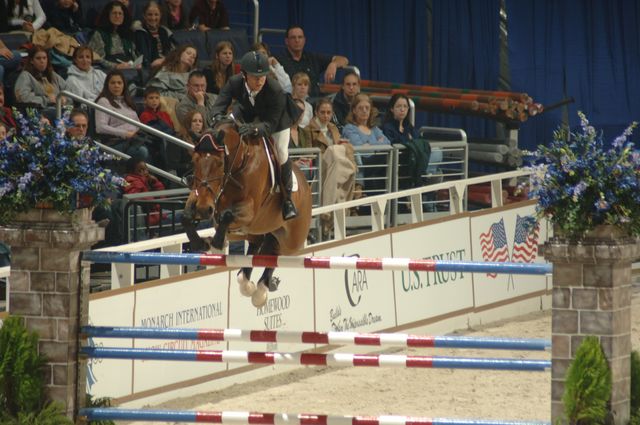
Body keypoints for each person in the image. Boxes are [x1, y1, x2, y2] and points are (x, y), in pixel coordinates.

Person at [211, 51, 301, 220]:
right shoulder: (234, 82)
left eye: (263, 76)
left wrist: (254, 130)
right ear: (244, 75)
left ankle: (287, 199)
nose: (260, 80)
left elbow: (270, 124)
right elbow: (219, 104)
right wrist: (217, 117)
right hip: (248, 113)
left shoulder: (275, 90)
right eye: (255, 77)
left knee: (281, 152)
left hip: (276, 121)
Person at [307, 97, 357, 208]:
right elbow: (309, 153)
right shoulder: (308, 129)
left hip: (335, 165)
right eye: (322, 112)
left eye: (329, 112)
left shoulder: (334, 128)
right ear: (316, 112)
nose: (326, 116)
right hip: (319, 166)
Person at [276, 25, 348, 97]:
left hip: (315, 102)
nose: (297, 40)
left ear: (304, 40)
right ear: (287, 41)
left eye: (300, 37)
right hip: (291, 102)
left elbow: (344, 60)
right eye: (293, 37)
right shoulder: (278, 59)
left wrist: (333, 64)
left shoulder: (312, 58)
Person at [341, 93, 391, 195]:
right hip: (361, 164)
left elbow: (388, 143)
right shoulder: (350, 128)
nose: (364, 111)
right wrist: (377, 144)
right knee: (386, 157)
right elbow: (361, 150)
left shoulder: (374, 128)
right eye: (361, 108)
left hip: (377, 164)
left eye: (367, 108)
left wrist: (369, 145)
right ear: (354, 110)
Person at [95, 70, 149, 161]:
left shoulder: (127, 101)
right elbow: (100, 127)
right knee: (142, 151)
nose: (116, 85)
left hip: (135, 139)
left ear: (124, 85)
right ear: (107, 85)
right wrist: (125, 134)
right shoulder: (103, 101)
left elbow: (137, 124)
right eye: (113, 83)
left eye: (119, 83)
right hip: (115, 142)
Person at [88, 1, 140, 71]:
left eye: (120, 14)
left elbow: (134, 56)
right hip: (108, 72)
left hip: (129, 69)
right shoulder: (100, 34)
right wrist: (116, 66)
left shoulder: (128, 34)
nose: (117, 16)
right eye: (114, 13)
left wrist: (137, 64)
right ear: (108, 15)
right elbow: (97, 59)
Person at [123, 156, 167, 229]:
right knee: (183, 217)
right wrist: (154, 201)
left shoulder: (146, 181)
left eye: (146, 169)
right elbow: (135, 197)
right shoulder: (131, 181)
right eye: (140, 170)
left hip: (156, 213)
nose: (145, 172)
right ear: (131, 171)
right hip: (150, 218)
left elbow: (163, 197)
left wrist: (155, 182)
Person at [133, 1, 175, 70]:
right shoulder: (140, 33)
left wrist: (165, 61)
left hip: (167, 66)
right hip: (149, 68)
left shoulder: (165, 31)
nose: (153, 18)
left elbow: (173, 52)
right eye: (150, 14)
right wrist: (151, 65)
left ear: (160, 15)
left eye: (156, 15)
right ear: (144, 15)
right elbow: (141, 57)